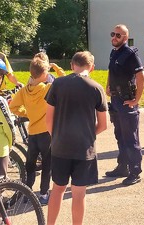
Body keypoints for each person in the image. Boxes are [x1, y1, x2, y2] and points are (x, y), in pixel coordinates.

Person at [46, 51, 108, 225]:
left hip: (60, 146)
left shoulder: (57, 84)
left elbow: (48, 120)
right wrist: (88, 134)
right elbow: (103, 125)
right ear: (92, 68)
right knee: (79, 194)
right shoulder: (96, 88)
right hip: (84, 149)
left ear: (72, 65)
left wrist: (56, 136)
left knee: (57, 189)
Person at [105, 24, 144, 186]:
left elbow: (141, 76)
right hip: (115, 101)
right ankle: (123, 167)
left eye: (118, 35)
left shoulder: (130, 54)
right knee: (119, 135)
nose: (114, 37)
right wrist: (108, 85)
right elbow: (111, 71)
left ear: (125, 38)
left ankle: (135, 171)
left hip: (126, 102)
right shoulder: (115, 52)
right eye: (113, 34)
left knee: (130, 138)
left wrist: (136, 99)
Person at [9, 57, 53, 206]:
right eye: (47, 71)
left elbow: (13, 107)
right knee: (47, 164)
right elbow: (64, 82)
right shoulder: (47, 88)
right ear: (43, 74)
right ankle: (43, 193)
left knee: (30, 165)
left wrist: (27, 113)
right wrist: (57, 69)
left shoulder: (23, 91)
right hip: (46, 132)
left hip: (33, 132)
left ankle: (27, 192)